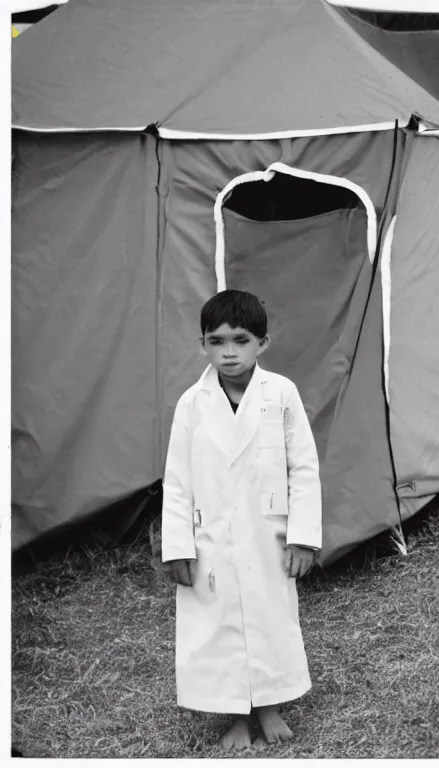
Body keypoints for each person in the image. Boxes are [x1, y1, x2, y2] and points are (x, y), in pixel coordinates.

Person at [161, 289, 322, 749]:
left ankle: (269, 706)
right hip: (209, 536)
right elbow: (177, 480)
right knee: (216, 623)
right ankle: (233, 714)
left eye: (240, 340)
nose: (228, 352)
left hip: (266, 534)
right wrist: (178, 546)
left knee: (271, 616)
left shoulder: (282, 394)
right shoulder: (192, 404)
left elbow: (303, 467)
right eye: (216, 341)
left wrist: (303, 537)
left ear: (262, 344)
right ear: (202, 344)